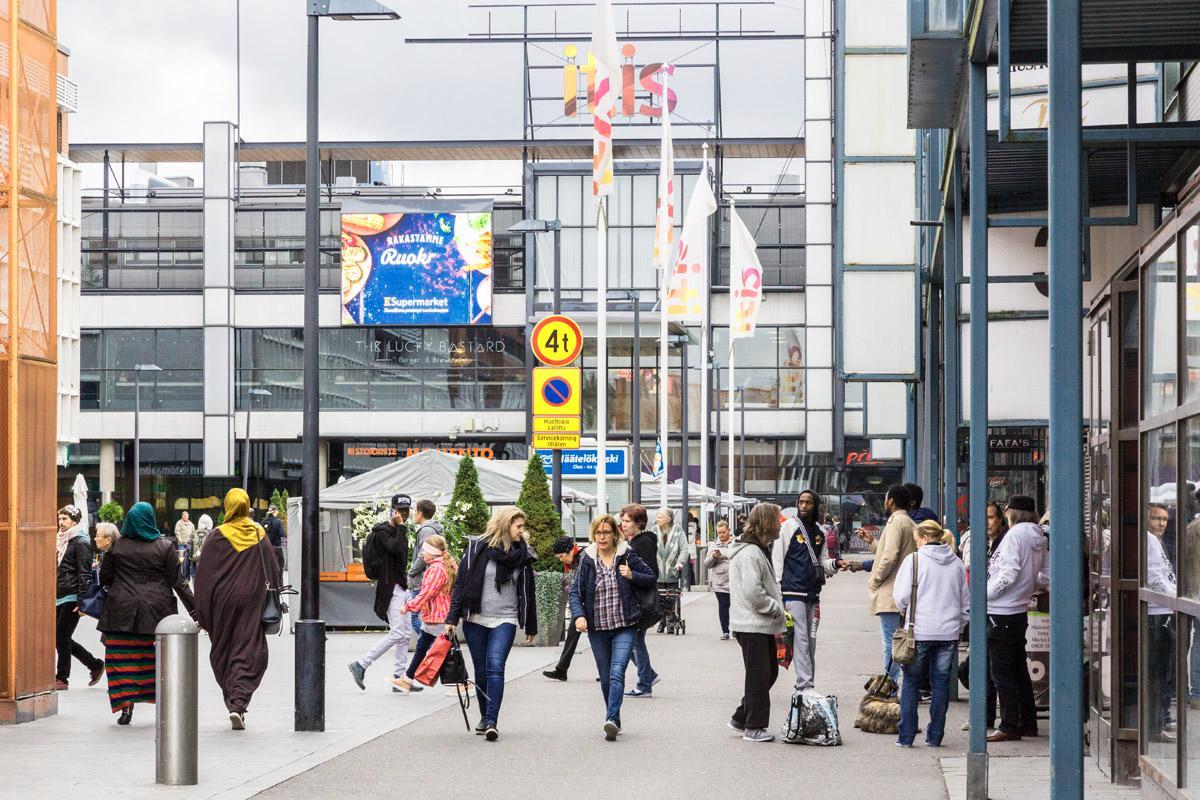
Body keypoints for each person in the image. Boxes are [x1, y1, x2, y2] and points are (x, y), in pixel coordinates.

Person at [98, 502, 195, 726]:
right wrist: (197, 612)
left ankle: (126, 706)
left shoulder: (118, 546)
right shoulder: (164, 547)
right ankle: (161, 705)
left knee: (122, 662)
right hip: (157, 616)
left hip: (120, 616)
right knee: (154, 662)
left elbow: (105, 577)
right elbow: (179, 583)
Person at [445, 506, 537, 741]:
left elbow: (528, 591)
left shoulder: (522, 554)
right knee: (481, 669)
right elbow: (461, 585)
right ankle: (484, 716)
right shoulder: (477, 548)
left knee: (495, 665)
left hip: (504, 619)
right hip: (475, 618)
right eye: (518, 526)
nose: (522, 530)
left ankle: (492, 720)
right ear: (505, 525)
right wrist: (452, 619)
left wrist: (531, 624)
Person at [193, 488, 282, 730]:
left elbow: (203, 576)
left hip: (221, 603)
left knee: (223, 648)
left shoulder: (216, 536)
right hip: (252, 601)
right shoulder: (258, 533)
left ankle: (234, 700)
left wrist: (201, 611)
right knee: (249, 649)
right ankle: (238, 703)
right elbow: (273, 568)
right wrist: (274, 596)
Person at [569, 514, 657, 740]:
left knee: (618, 672)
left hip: (624, 625)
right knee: (606, 677)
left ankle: (612, 719)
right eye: (598, 533)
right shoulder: (588, 559)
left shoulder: (626, 554)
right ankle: (613, 715)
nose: (602, 537)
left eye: (606, 532)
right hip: (598, 629)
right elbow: (575, 593)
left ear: (614, 534)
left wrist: (632, 574)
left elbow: (650, 577)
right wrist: (579, 615)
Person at [893, 520, 969, 747]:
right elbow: (965, 602)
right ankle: (935, 736)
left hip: (919, 632)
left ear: (925, 538)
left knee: (911, 683)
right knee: (940, 684)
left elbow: (901, 597)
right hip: (948, 634)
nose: (916, 544)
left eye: (917, 539)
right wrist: (958, 626)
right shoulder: (956, 562)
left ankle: (906, 737)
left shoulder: (914, 560)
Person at [984, 494, 1047, 742]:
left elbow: (1008, 574)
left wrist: (984, 595)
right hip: (1018, 610)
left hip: (1001, 611)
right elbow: (1046, 575)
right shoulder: (1039, 536)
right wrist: (1029, 587)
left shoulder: (1014, 536)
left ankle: (1009, 724)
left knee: (1001, 672)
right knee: (1019, 670)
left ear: (1011, 513)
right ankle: (1027, 722)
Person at [727, 503, 786, 743]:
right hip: (753, 623)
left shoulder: (757, 549)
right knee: (760, 676)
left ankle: (742, 717)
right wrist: (774, 608)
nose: (781, 522)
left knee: (766, 674)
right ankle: (754, 726)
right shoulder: (751, 552)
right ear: (767, 523)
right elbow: (753, 591)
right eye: (777, 518)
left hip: (754, 623)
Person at [772, 490, 840, 692]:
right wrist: (778, 593)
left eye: (808, 502)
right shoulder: (788, 528)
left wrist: (836, 564)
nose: (804, 506)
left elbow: (822, 562)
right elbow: (777, 561)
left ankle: (807, 682)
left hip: (813, 593)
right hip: (793, 592)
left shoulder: (820, 532)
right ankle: (805, 684)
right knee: (801, 637)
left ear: (815, 505)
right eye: (801, 502)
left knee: (810, 639)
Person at [348, 494, 415, 693]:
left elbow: (401, 553)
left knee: (405, 634)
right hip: (390, 587)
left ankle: (399, 678)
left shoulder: (396, 530)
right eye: (400, 510)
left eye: (406, 510)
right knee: (397, 633)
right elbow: (396, 548)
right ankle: (361, 664)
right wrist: (401, 527)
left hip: (400, 586)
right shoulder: (384, 531)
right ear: (392, 510)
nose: (404, 514)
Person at [860, 484, 917, 684]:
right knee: (901, 642)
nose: (884, 502)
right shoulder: (909, 522)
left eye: (886, 498)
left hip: (891, 592)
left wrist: (875, 579)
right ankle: (898, 684)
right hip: (904, 591)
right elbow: (893, 552)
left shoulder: (895, 522)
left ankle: (889, 686)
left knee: (891, 644)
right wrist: (872, 542)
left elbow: (891, 556)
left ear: (891, 500)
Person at [958, 499, 1007, 731]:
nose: (986, 523)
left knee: (991, 668)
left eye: (990, 517)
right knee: (982, 666)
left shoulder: (1003, 543)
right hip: (984, 610)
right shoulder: (980, 543)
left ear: (1000, 519)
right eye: (983, 518)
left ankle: (992, 718)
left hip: (998, 611)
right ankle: (986, 716)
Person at [395, 533, 457, 693]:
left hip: (439, 616)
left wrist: (408, 606)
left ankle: (463, 683)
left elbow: (427, 593)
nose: (422, 554)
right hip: (435, 616)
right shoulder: (442, 565)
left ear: (434, 552)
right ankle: (407, 680)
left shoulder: (436, 568)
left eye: (425, 551)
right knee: (423, 647)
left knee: (448, 651)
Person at [55, 505, 104, 690]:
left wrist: (81, 601)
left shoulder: (81, 542)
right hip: (59, 593)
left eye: (65, 519)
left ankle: (62, 678)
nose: (61, 523)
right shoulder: (60, 540)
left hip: (72, 595)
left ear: (75, 521)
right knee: (59, 637)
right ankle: (94, 664)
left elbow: (85, 573)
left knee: (61, 637)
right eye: (60, 519)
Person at [621, 503, 660, 698]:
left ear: (639, 523)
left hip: (640, 602)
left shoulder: (641, 543)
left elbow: (652, 574)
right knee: (631, 641)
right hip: (637, 601)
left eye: (627, 521)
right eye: (623, 521)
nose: (623, 524)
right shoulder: (637, 541)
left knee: (634, 641)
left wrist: (631, 574)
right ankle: (648, 675)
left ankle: (645, 682)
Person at [1146, 502, 1177, 743]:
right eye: (1156, 518)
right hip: (1156, 612)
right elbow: (1155, 579)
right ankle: (1156, 724)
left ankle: (1160, 720)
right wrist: (1176, 598)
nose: (1161, 523)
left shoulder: (1154, 541)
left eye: (1164, 519)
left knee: (1161, 672)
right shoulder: (1149, 540)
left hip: (1161, 610)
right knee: (1157, 673)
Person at [544, 535, 585, 681]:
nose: (561, 560)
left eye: (562, 556)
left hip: (589, 605)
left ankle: (647, 672)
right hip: (581, 606)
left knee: (603, 640)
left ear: (570, 551)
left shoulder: (583, 558)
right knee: (573, 637)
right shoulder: (574, 561)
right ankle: (561, 669)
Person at [408, 499, 444, 640]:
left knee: (415, 617)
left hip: (423, 580)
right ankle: (435, 647)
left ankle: (436, 646)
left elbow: (424, 555)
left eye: (414, 511)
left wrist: (412, 572)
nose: (412, 514)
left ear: (420, 513)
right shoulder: (429, 529)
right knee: (421, 618)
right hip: (425, 578)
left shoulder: (427, 530)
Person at [653, 508, 689, 633]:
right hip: (656, 572)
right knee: (658, 598)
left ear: (668, 519)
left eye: (660, 517)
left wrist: (680, 562)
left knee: (671, 597)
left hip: (672, 571)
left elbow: (684, 549)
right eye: (657, 516)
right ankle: (662, 621)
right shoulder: (654, 530)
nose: (657, 519)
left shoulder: (678, 530)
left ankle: (670, 621)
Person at [705, 519, 734, 639]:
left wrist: (725, 553)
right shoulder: (713, 545)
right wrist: (713, 557)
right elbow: (707, 564)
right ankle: (725, 631)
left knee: (737, 607)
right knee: (723, 605)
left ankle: (737, 629)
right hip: (720, 582)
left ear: (729, 530)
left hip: (735, 581)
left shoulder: (736, 542)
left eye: (724, 532)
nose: (722, 535)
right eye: (719, 533)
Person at [262, 504, 285, 575]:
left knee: (268, 566)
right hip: (277, 548)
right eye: (277, 511)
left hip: (267, 548)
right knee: (280, 566)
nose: (277, 513)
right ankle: (280, 584)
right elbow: (282, 534)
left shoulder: (263, 522)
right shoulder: (278, 522)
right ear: (274, 512)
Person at [175, 511, 197, 579]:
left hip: (189, 545)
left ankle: (186, 576)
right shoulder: (179, 523)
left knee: (187, 561)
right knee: (181, 560)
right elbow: (177, 532)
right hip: (181, 545)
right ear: (182, 516)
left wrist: (191, 541)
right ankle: (179, 575)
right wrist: (180, 540)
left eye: (187, 516)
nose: (186, 517)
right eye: (185, 516)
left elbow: (193, 533)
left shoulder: (191, 524)